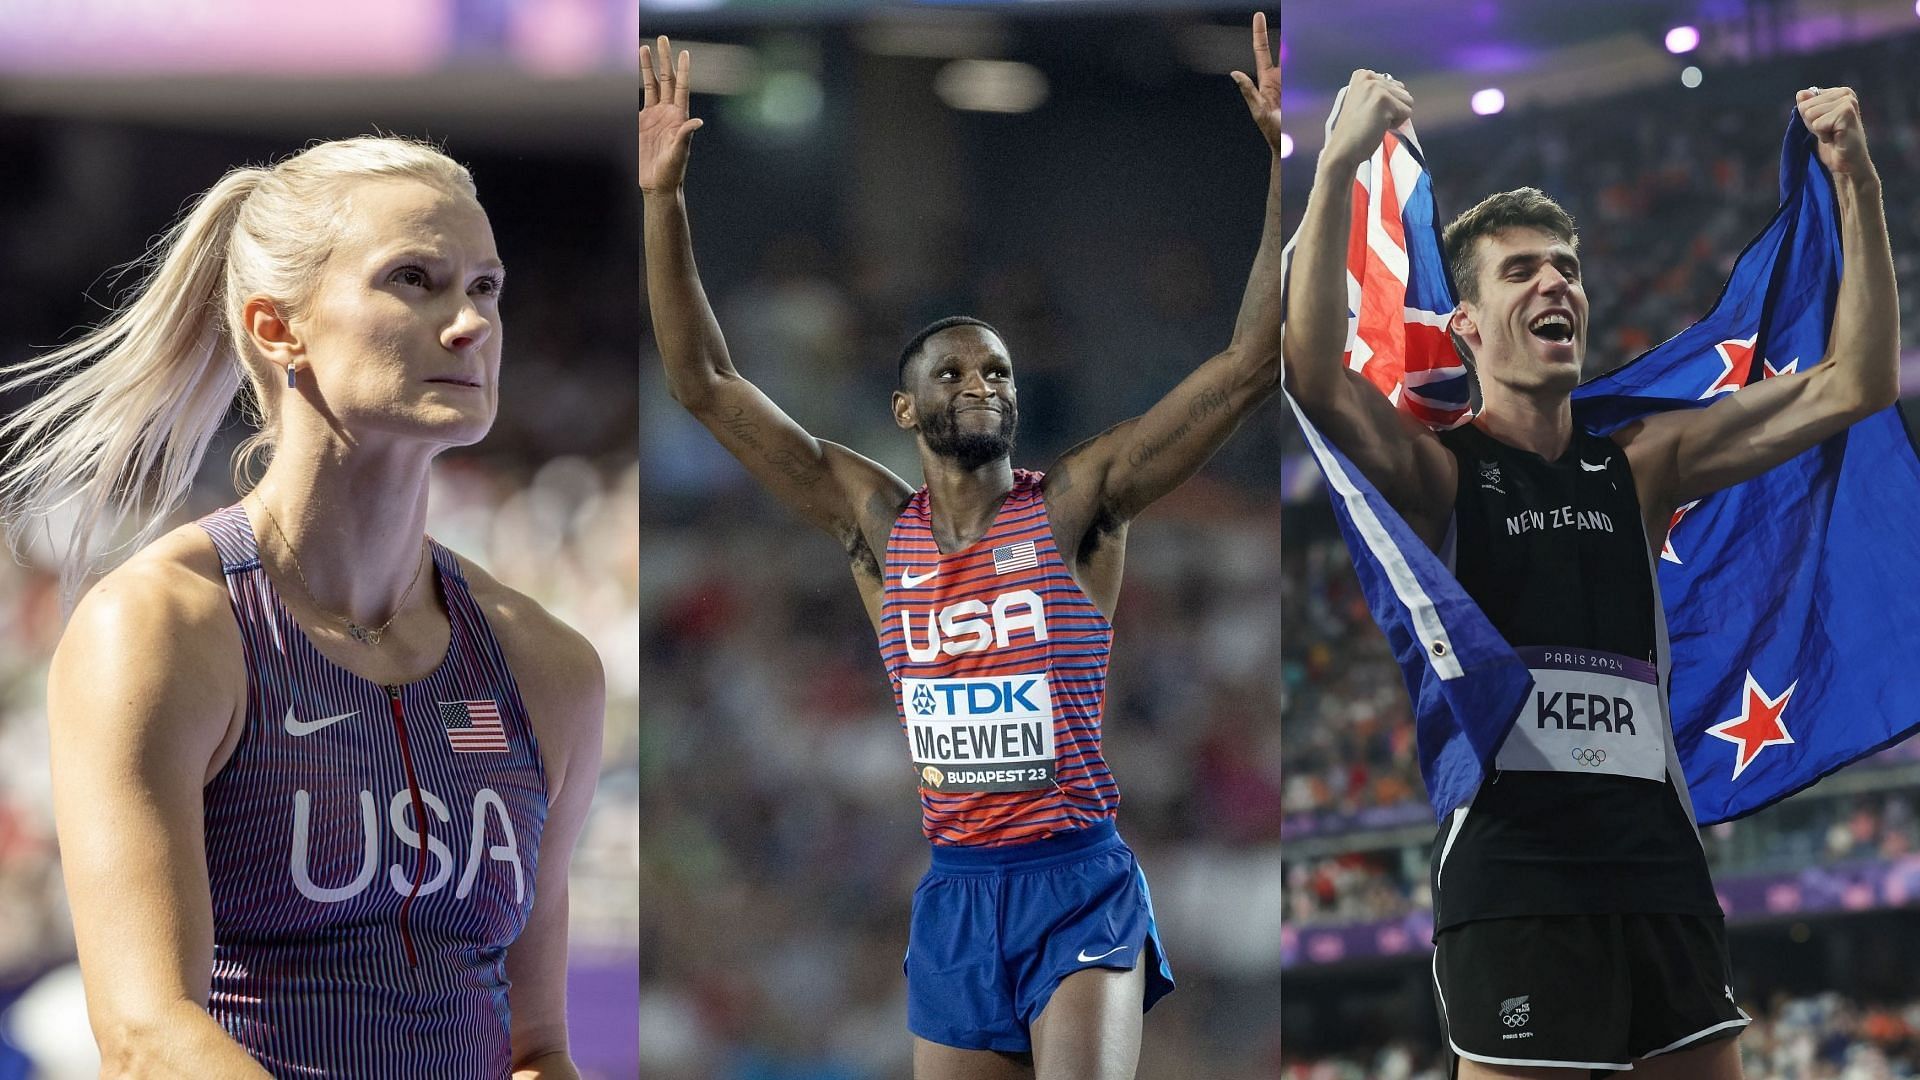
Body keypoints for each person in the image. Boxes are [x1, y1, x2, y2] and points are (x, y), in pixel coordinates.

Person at [640, 19, 1283, 1078]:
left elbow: (1250, 364)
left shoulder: (1078, 503)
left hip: (1076, 877)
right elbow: (703, 385)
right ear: (903, 404)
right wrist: (664, 199)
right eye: (953, 372)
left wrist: (1277, 166)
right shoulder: (873, 525)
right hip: (957, 888)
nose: (981, 385)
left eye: (998, 374)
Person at [1285, 72, 1897, 1079]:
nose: (1555, 283)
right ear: (1469, 326)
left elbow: (1857, 382)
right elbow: (1312, 376)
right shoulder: (1443, 475)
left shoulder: (1642, 463)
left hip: (1660, 872)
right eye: (1520, 271)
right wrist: (1339, 158)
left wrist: (1857, 181)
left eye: (1565, 267)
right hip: (1518, 882)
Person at [0, 137, 605, 1078]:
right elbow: (148, 1036)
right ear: (278, 329)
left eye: (486, 287)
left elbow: (538, 1048)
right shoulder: (164, 628)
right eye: (415, 279)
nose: (470, 324)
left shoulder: (547, 664)